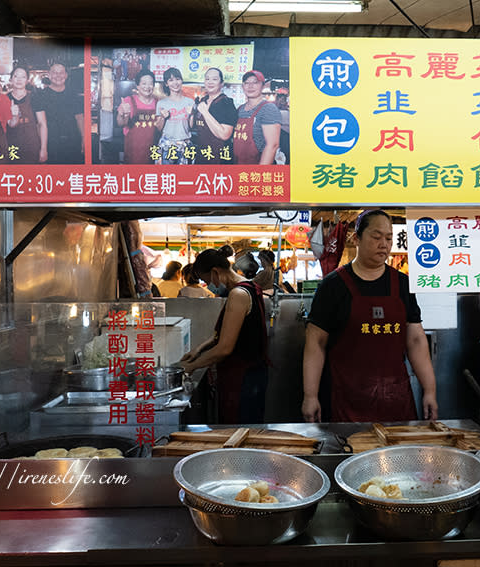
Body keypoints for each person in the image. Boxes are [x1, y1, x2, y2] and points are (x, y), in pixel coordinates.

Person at [302, 210, 438, 423]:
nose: (384, 244)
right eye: (376, 237)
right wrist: (310, 396)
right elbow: (315, 343)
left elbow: (416, 340)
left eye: (389, 238)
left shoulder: (402, 284)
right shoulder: (333, 286)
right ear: (357, 238)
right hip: (346, 401)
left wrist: (429, 390)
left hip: (396, 400)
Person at [179, 247, 269, 423]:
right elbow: (221, 335)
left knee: (239, 429)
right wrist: (199, 349)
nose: (209, 285)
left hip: (243, 378)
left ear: (215, 272)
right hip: (251, 374)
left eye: (206, 280)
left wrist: (190, 367)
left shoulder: (238, 294)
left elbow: (225, 348)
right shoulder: (249, 286)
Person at [37, 62, 84, 164]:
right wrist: (42, 147)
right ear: (49, 75)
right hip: (51, 143)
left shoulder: (73, 94)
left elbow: (80, 117)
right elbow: (40, 124)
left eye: (61, 72)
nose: (58, 76)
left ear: (66, 75)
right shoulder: (41, 95)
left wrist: (84, 138)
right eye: (54, 72)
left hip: (73, 141)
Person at [190, 67, 237, 164]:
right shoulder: (203, 101)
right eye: (207, 79)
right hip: (202, 155)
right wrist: (191, 113)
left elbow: (225, 135)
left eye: (214, 79)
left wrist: (205, 112)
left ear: (222, 83)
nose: (210, 82)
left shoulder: (226, 103)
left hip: (219, 159)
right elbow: (193, 127)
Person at [233, 70, 280, 165]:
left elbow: (272, 145)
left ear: (263, 86)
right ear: (243, 87)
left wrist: (259, 172)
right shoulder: (240, 109)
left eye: (255, 82)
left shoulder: (268, 109)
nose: (250, 86)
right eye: (247, 83)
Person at [6, 65, 48, 164]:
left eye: (23, 77)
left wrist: (43, 149)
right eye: (16, 76)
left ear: (27, 80)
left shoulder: (35, 98)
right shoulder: (4, 99)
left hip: (32, 147)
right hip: (10, 147)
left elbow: (42, 124)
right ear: (11, 79)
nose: (19, 80)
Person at [117, 69, 159, 164]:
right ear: (138, 86)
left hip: (153, 153)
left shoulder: (158, 103)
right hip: (133, 153)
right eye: (144, 83)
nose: (147, 87)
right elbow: (120, 123)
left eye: (150, 83)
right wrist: (122, 114)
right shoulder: (129, 101)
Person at [155, 67, 194, 164]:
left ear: (181, 81)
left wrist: (192, 114)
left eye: (177, 79)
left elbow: (190, 127)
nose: (175, 83)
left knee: (183, 177)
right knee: (167, 176)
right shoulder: (161, 103)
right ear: (166, 84)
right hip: (167, 146)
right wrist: (163, 117)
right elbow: (159, 128)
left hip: (185, 145)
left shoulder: (190, 102)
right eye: (171, 80)